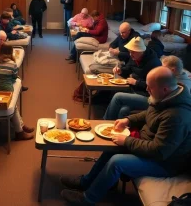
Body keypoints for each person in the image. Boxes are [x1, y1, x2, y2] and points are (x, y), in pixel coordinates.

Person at [61, 66, 191, 206]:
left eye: (150, 88)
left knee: (117, 162)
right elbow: (148, 114)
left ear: (164, 89)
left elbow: (159, 151)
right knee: (111, 149)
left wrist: (127, 141)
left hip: (165, 163)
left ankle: (87, 200)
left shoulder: (177, 116)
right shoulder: (167, 97)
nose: (147, 90)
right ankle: (86, 181)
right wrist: (128, 120)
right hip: (150, 146)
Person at [104, 55, 191, 120]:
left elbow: (162, 102)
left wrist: (137, 83)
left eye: (163, 68)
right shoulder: (174, 76)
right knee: (124, 110)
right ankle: (117, 131)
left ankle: (105, 123)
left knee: (118, 96)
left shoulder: (177, 83)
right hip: (153, 99)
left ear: (172, 70)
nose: (160, 69)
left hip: (156, 104)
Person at [0, 44, 33, 140]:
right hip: (6, 89)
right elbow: (14, 77)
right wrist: (8, 81)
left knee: (12, 107)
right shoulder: (12, 64)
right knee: (14, 107)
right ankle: (19, 132)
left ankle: (21, 126)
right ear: (10, 52)